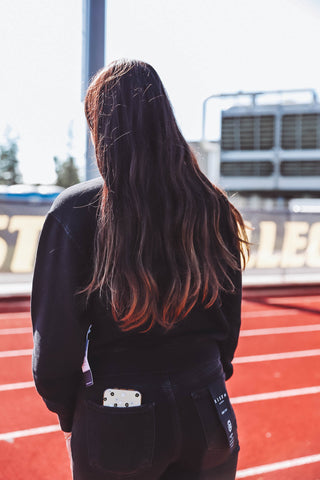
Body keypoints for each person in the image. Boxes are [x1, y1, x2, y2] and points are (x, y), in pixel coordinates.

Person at [31, 59, 249, 480]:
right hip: (207, 406)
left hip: (118, 412)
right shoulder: (213, 206)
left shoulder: (76, 212)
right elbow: (229, 324)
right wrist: (206, 379)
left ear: (102, 128)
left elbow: (54, 350)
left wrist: (72, 413)